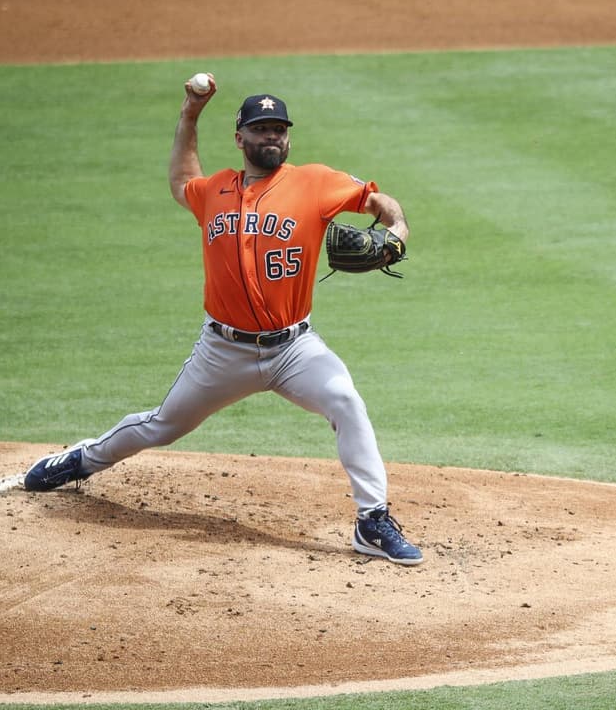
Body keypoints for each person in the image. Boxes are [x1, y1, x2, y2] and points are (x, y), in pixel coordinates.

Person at [23, 74, 423, 566]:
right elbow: (180, 180)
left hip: (295, 348)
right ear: (240, 139)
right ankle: (82, 459)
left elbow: (381, 202)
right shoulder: (214, 191)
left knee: (345, 399)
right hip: (223, 351)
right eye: (261, 129)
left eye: (278, 129)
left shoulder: (315, 182)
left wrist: (398, 232)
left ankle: (372, 520)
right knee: (162, 425)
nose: (271, 137)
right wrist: (190, 113)